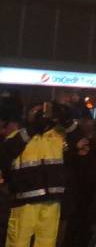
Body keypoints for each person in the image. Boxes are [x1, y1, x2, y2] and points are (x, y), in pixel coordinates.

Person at [2, 102, 81, 247]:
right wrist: (34, 128)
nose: (42, 114)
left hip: (52, 201)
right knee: (18, 242)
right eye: (37, 111)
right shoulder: (19, 136)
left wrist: (66, 120)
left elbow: (82, 144)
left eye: (45, 111)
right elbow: (6, 153)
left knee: (47, 242)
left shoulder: (59, 137)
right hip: (24, 200)